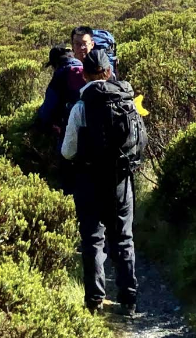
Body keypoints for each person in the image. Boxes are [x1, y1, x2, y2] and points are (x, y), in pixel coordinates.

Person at [61, 45, 148, 317]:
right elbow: (141, 141)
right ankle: (129, 300)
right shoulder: (128, 100)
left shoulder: (80, 107)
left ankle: (95, 300)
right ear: (109, 72)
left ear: (84, 75)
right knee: (123, 238)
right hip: (122, 179)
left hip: (89, 180)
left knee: (93, 239)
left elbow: (68, 151)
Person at [35, 44, 85, 144]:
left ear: (55, 63)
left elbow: (48, 107)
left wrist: (39, 115)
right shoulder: (85, 68)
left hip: (70, 125)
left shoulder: (60, 74)